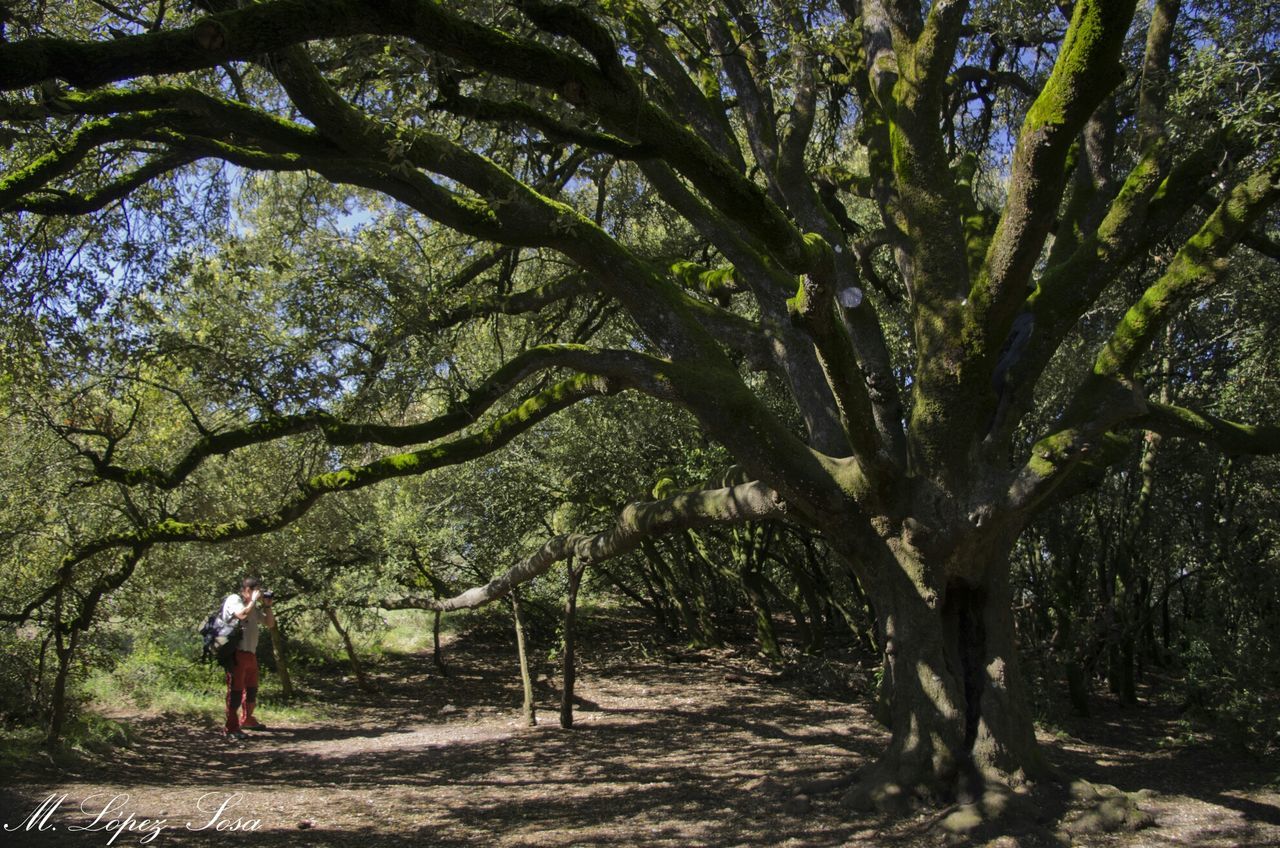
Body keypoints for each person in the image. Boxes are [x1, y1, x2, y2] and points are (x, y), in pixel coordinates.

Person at [221, 576, 275, 740]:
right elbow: (242, 615)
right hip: (237, 653)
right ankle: (231, 727)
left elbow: (269, 623)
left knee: (251, 689)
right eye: (253, 590)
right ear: (245, 590)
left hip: (251, 653)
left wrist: (267, 607)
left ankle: (248, 719)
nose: (256, 594)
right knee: (236, 691)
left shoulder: (253, 607)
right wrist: (252, 601)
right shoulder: (234, 600)